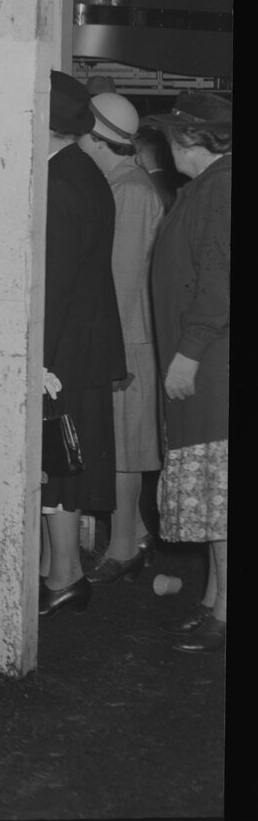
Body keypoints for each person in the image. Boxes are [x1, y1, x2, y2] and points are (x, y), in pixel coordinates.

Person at [40, 71, 127, 619]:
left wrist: (37, 359)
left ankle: (65, 575)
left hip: (66, 348)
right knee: (63, 463)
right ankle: (58, 572)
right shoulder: (81, 170)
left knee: (57, 465)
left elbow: (55, 284)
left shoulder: (58, 182)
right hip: (87, 341)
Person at [145, 92, 230, 653]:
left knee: (221, 499)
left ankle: (226, 612)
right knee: (217, 498)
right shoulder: (208, 187)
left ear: (194, 139)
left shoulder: (222, 188)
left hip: (213, 366)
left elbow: (219, 282)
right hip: (207, 360)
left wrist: (189, 351)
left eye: (173, 135)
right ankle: (214, 601)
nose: (166, 144)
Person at [78, 92, 167, 582]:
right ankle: (133, 538)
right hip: (121, 335)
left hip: (127, 338)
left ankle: (123, 548)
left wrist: (112, 353)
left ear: (96, 138)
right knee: (117, 446)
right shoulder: (116, 183)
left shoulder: (129, 191)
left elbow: (122, 280)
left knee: (125, 450)